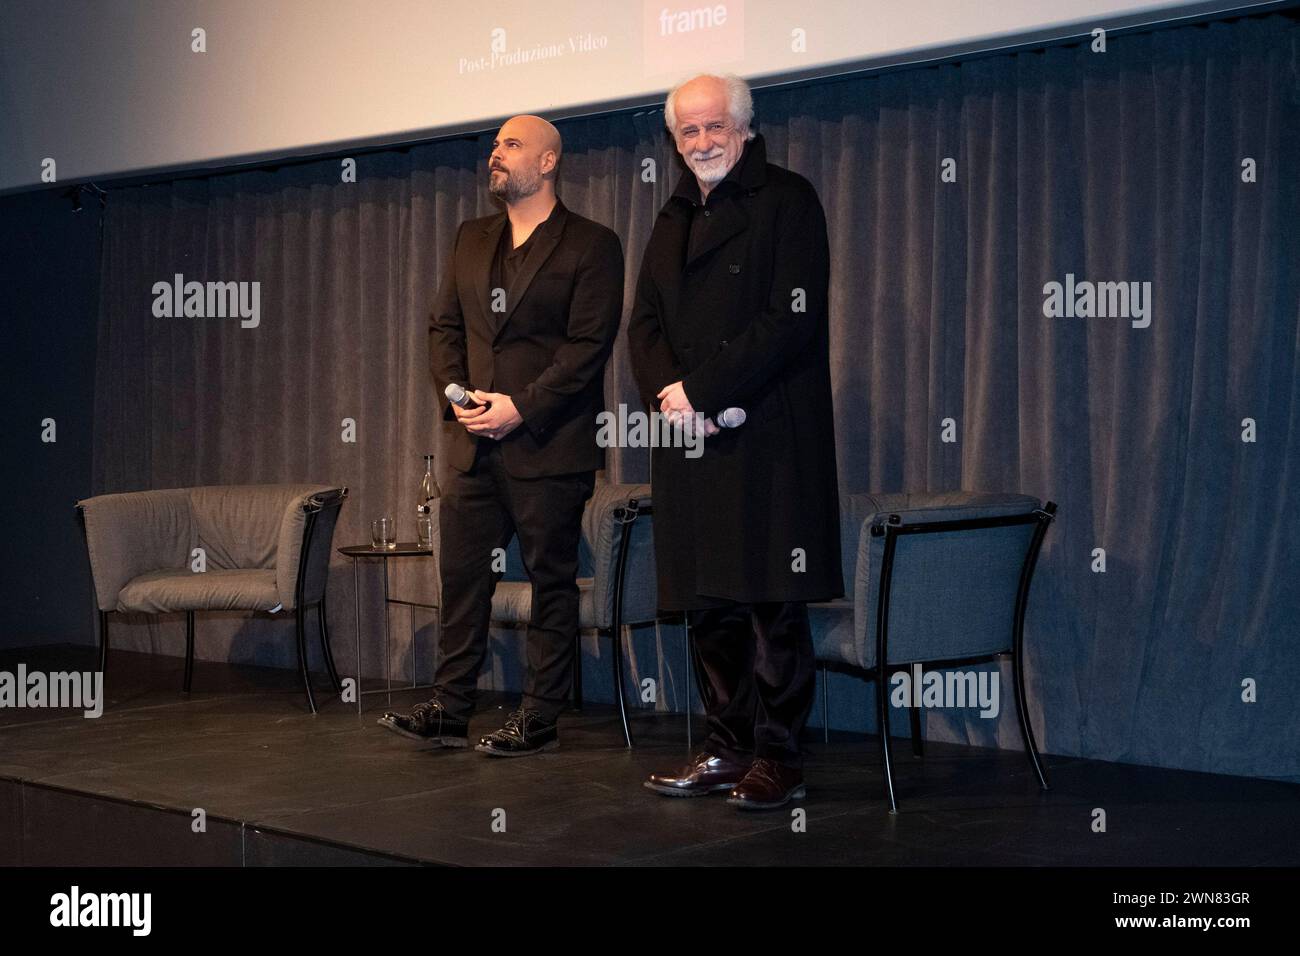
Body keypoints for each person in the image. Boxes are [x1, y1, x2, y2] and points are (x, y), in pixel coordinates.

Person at [629, 75, 842, 808]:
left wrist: (707, 394)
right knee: (708, 605)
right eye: (687, 132)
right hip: (691, 441)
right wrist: (672, 397)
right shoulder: (673, 215)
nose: (702, 142)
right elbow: (645, 327)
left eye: (714, 127)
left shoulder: (789, 200)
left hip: (768, 438)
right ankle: (726, 748)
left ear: (746, 128)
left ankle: (779, 758)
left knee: (769, 605)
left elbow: (791, 321)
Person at [380, 114, 624, 756]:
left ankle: (539, 716)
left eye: (511, 145)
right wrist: (457, 397)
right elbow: (443, 328)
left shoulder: (591, 244)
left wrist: (522, 406)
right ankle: (450, 707)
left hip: (549, 443)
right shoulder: (470, 238)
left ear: (548, 162)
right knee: (462, 580)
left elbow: (587, 345)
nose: (496, 154)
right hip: (473, 445)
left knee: (551, 581)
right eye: (493, 146)